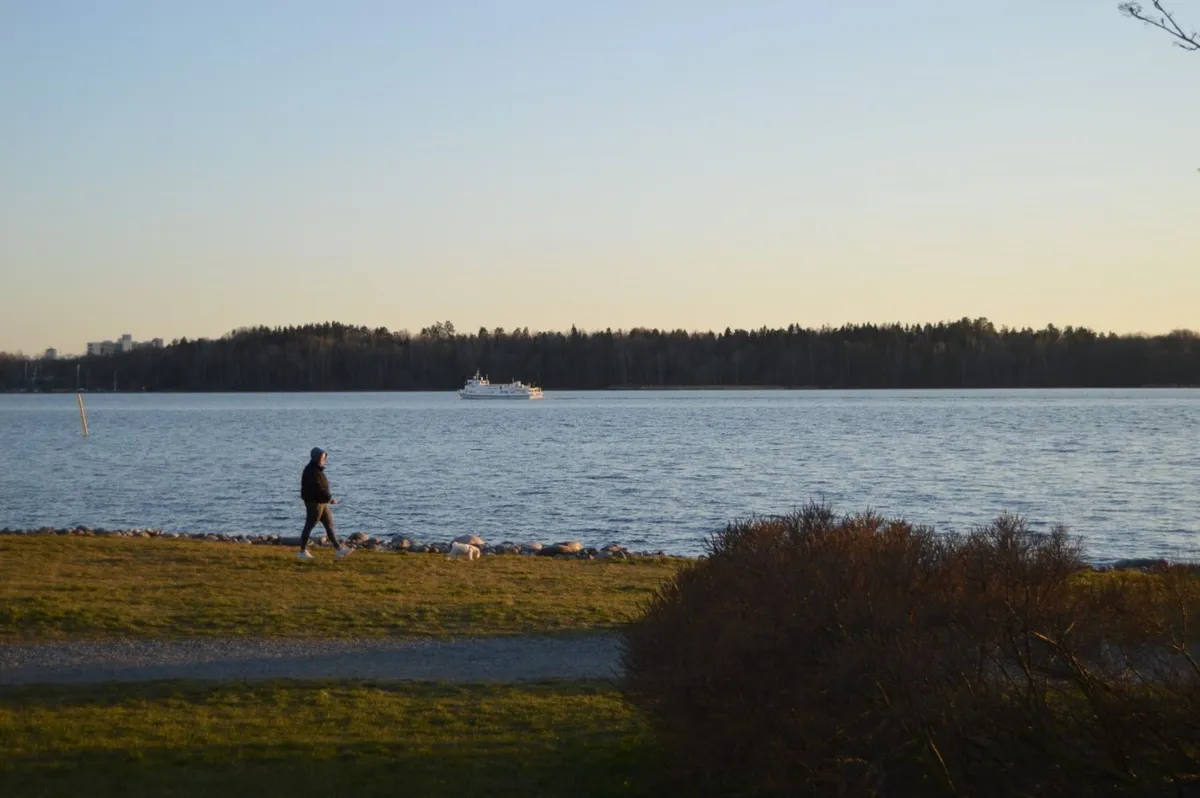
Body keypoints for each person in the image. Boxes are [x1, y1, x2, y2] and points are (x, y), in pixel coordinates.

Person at [298, 447, 352, 560]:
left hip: (322, 501)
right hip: (314, 503)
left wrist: (328, 498)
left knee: (329, 524)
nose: (324, 460)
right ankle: (302, 552)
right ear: (316, 458)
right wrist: (330, 498)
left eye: (324, 457)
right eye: (322, 458)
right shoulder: (311, 471)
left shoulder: (317, 469)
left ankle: (339, 549)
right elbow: (318, 488)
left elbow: (322, 488)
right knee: (310, 525)